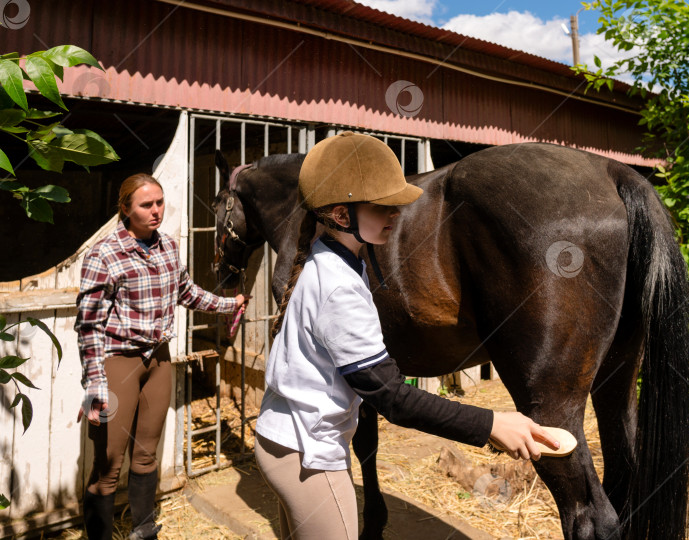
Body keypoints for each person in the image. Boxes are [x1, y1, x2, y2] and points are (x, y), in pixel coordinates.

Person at [254, 132, 561, 540]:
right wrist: (491, 424)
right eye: (383, 206)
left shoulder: (335, 260)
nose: (397, 213)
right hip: (308, 453)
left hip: (286, 439)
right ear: (342, 215)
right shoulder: (339, 286)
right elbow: (392, 397)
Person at [75, 173, 249, 540]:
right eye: (145, 205)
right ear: (125, 209)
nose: (155, 211)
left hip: (159, 361)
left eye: (159, 202)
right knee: (108, 466)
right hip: (118, 363)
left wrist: (227, 304)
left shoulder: (168, 246)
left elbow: (187, 293)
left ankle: (144, 531)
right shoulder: (104, 254)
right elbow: (89, 325)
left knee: (147, 456)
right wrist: (95, 383)